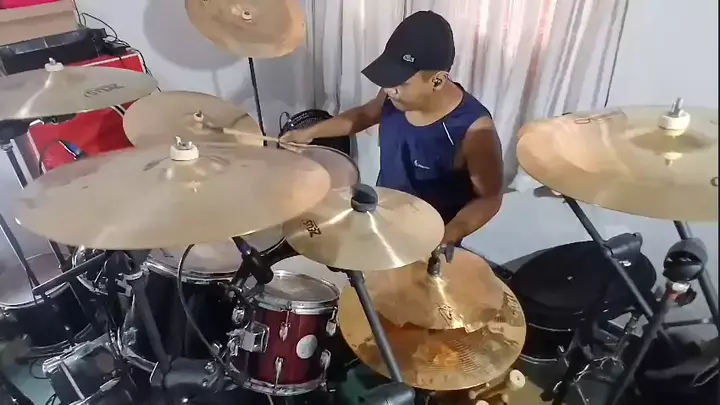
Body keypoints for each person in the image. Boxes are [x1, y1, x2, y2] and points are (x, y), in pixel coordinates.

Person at [282, 11, 503, 246]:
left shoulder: (474, 131)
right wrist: (310, 133)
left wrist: (451, 234)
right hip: (383, 215)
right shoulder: (394, 94)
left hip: (428, 238)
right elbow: (366, 114)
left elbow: (489, 198)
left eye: (401, 82)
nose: (389, 89)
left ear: (437, 81)